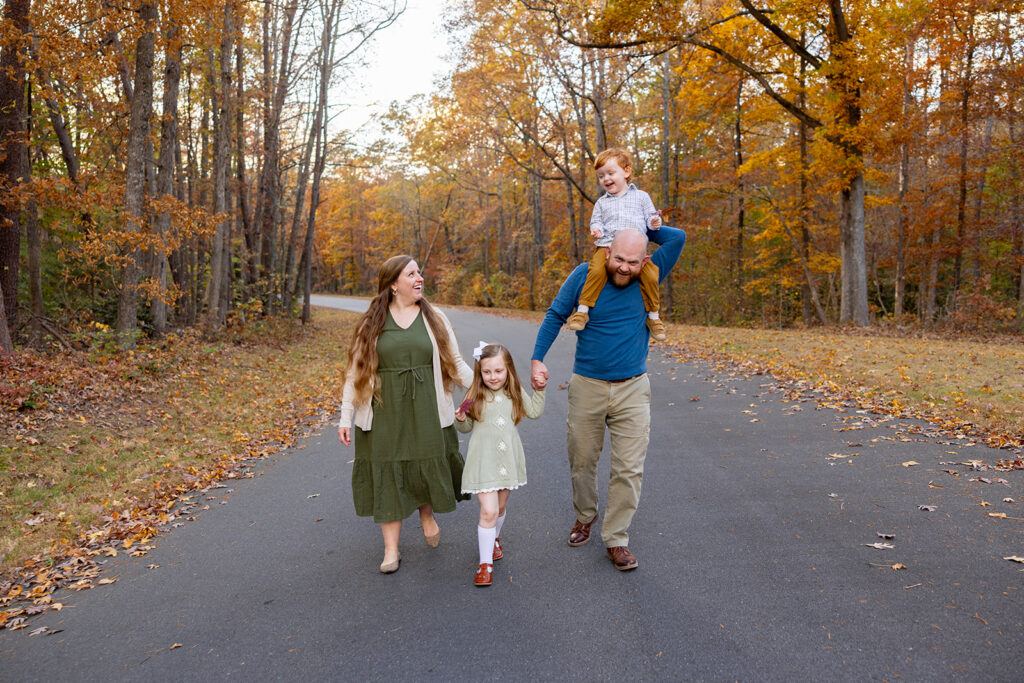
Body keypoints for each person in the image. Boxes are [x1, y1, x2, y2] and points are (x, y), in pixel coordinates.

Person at [531, 225, 686, 571]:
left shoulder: (650, 273)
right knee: (582, 460)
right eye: (619, 259)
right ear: (606, 251)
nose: (625, 268)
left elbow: (678, 238)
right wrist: (538, 358)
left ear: (644, 259)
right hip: (588, 385)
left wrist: (643, 220)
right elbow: (556, 314)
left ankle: (616, 538)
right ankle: (585, 516)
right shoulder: (586, 275)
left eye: (633, 261)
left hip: (633, 387)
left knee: (629, 468)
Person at [338, 255, 474, 574]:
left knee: (421, 463)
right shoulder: (372, 322)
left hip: (427, 406)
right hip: (384, 410)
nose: (419, 278)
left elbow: (455, 363)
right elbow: (353, 373)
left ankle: (426, 513)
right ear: (393, 284)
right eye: (411, 274)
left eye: (420, 273)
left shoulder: (434, 317)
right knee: (388, 471)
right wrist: (345, 417)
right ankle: (391, 550)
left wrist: (489, 383)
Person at [455, 342, 546, 587]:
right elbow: (464, 428)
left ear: (508, 370)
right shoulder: (472, 396)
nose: (492, 377)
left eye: (498, 371)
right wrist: (461, 418)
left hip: (507, 460)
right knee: (489, 511)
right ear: (479, 373)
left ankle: (493, 538)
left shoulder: (514, 393)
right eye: (487, 372)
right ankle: (485, 565)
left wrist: (540, 389)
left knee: (501, 507)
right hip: (482, 461)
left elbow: (535, 411)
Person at [567, 148, 667, 342]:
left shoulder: (641, 197)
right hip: (607, 246)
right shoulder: (602, 203)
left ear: (626, 172)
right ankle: (583, 310)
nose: (606, 179)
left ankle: (653, 316)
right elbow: (596, 221)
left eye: (610, 173)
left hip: (634, 251)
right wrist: (596, 230)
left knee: (651, 275)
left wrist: (655, 222)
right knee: (595, 271)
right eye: (601, 176)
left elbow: (651, 218)